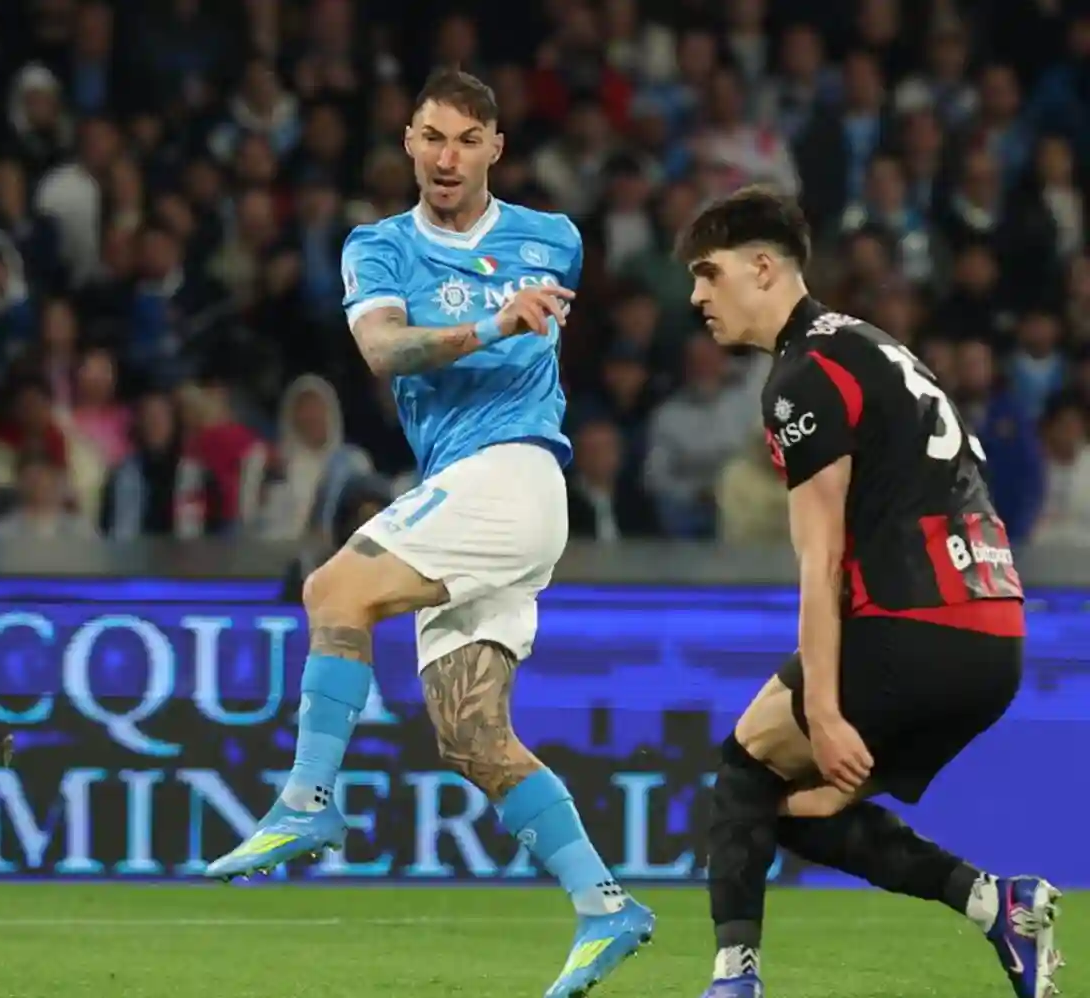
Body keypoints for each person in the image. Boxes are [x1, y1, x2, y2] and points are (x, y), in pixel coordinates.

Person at [202, 68, 653, 998]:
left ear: (495, 148)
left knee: (332, 591)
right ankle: (605, 903)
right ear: (408, 143)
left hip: (517, 473)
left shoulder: (552, 240)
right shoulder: (377, 248)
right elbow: (382, 351)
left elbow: (521, 355)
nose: (447, 157)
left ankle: (309, 800)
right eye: (431, 137)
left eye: (466, 139)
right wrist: (494, 320)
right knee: (471, 734)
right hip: (466, 487)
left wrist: (498, 324)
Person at [678, 186, 1060, 998]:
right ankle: (998, 904)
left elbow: (820, 561)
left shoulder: (801, 376)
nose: (696, 296)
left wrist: (822, 707)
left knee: (745, 766)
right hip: (994, 638)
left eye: (709, 274)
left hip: (916, 627)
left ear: (762, 267)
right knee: (795, 807)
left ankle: (733, 980)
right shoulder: (871, 347)